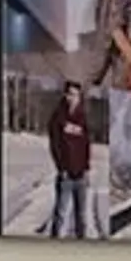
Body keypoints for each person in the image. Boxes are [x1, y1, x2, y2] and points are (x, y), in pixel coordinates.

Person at [43, 81, 95, 238]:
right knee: (61, 214)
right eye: (70, 94)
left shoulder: (82, 117)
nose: (73, 98)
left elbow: (86, 145)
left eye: (76, 95)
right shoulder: (58, 117)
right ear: (65, 95)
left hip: (81, 176)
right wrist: (61, 168)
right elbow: (55, 146)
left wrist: (86, 169)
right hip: (65, 175)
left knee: (82, 216)